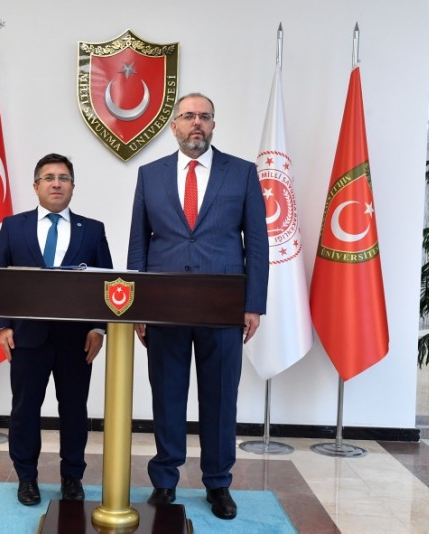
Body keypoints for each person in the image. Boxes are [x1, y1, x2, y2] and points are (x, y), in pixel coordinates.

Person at [127, 93, 269, 520]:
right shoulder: (150, 174)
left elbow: (257, 244)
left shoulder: (241, 173)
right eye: (188, 116)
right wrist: (138, 306)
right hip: (164, 305)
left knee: (220, 397)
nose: (197, 123)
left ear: (213, 125)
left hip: (222, 306)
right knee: (167, 393)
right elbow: (138, 242)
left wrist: (253, 304)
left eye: (204, 117)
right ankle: (165, 480)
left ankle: (218, 483)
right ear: (173, 126)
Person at [0, 153, 113, 506]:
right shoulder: (13, 227)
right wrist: (3, 325)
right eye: (48, 178)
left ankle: (72, 477)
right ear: (36, 186)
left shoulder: (93, 230)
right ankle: (26, 478)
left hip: (77, 340)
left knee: (74, 410)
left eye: (63, 178)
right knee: (25, 409)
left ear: (73, 186)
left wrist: (99, 328)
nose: (56, 184)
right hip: (27, 337)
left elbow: (106, 282)